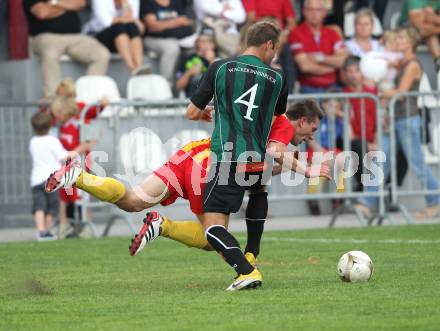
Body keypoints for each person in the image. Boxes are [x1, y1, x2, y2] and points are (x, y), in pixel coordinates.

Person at [45, 100, 329, 275]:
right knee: (214, 238)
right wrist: (309, 171)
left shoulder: (258, 115)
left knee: (132, 201)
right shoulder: (282, 124)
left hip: (191, 154)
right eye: (313, 130)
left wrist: (292, 168)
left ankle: (79, 176)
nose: (310, 137)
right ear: (302, 121)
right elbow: (276, 152)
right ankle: (164, 226)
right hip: (209, 166)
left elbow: (263, 167)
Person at [358, 27, 440, 218]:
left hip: (407, 119)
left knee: (418, 164)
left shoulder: (411, 65)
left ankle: (435, 200)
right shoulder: (403, 63)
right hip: (395, 118)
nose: (398, 41)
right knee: (380, 160)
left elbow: (401, 94)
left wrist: (381, 90)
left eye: (402, 38)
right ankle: (367, 202)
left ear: (411, 43)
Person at [22, 0, 110, 97]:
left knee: (101, 54)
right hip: (46, 37)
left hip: (75, 37)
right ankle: (53, 101)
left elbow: (80, 3)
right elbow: (42, 13)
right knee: (50, 53)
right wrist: (67, 6)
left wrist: (53, 2)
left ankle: (88, 98)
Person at [30, 112, 73, 241]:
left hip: (36, 179)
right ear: (50, 126)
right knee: (51, 207)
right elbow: (62, 156)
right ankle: (47, 231)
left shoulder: (33, 141)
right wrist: (76, 152)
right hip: (52, 180)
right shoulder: (52, 140)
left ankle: (41, 231)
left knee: (39, 206)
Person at [289, 0, 348, 94]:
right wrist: (333, 66)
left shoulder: (332, 33)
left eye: (318, 10)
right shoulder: (296, 33)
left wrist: (319, 58)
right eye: (310, 10)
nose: (314, 13)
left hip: (333, 87)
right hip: (308, 88)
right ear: (304, 11)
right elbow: (305, 66)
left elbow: (343, 60)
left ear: (324, 12)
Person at [243, 0, 297, 93]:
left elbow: (292, 22)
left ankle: (287, 94)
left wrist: (284, 33)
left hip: (277, 30)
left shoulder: (283, 47)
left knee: (288, 60)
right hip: (259, 28)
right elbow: (251, 17)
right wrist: (267, 23)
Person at [84, 0, 149, 74]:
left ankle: (139, 67)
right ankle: (132, 68)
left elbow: (137, 26)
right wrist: (130, 19)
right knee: (119, 27)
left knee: (132, 28)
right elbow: (107, 22)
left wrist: (126, 5)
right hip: (98, 35)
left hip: (122, 37)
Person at [140, 0, 195, 83]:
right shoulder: (148, 2)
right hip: (153, 38)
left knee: (194, 46)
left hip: (178, 37)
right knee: (172, 47)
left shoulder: (177, 2)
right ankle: (166, 83)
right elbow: (153, 26)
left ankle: (189, 85)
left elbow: (186, 21)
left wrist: (166, 25)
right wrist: (176, 22)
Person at [399, 0, 440, 71]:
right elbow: (422, 30)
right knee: (430, 34)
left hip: (431, 27)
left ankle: (438, 62)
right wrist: (431, 17)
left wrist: (431, 17)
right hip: (407, 26)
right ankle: (438, 62)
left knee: (430, 30)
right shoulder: (415, 1)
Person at [175, 30, 218, 97]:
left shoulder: (219, 60)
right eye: (203, 41)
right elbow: (178, 86)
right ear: (197, 42)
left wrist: (212, 61)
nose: (207, 45)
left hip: (211, 98)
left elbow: (219, 83)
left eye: (210, 42)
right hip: (190, 98)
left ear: (214, 45)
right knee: (197, 79)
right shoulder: (186, 58)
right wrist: (189, 73)